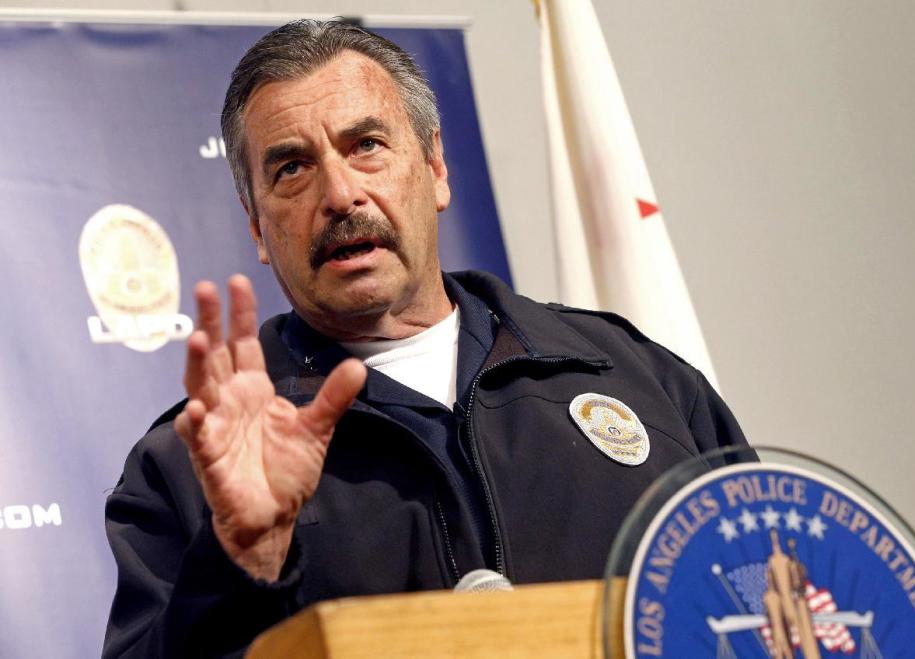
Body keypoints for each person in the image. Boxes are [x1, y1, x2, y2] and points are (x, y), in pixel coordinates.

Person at [103, 19, 747, 658]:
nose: (341, 193)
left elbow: (782, 604)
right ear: (256, 226)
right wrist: (240, 562)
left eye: (367, 145)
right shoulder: (185, 471)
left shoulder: (635, 378)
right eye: (293, 168)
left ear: (435, 168)